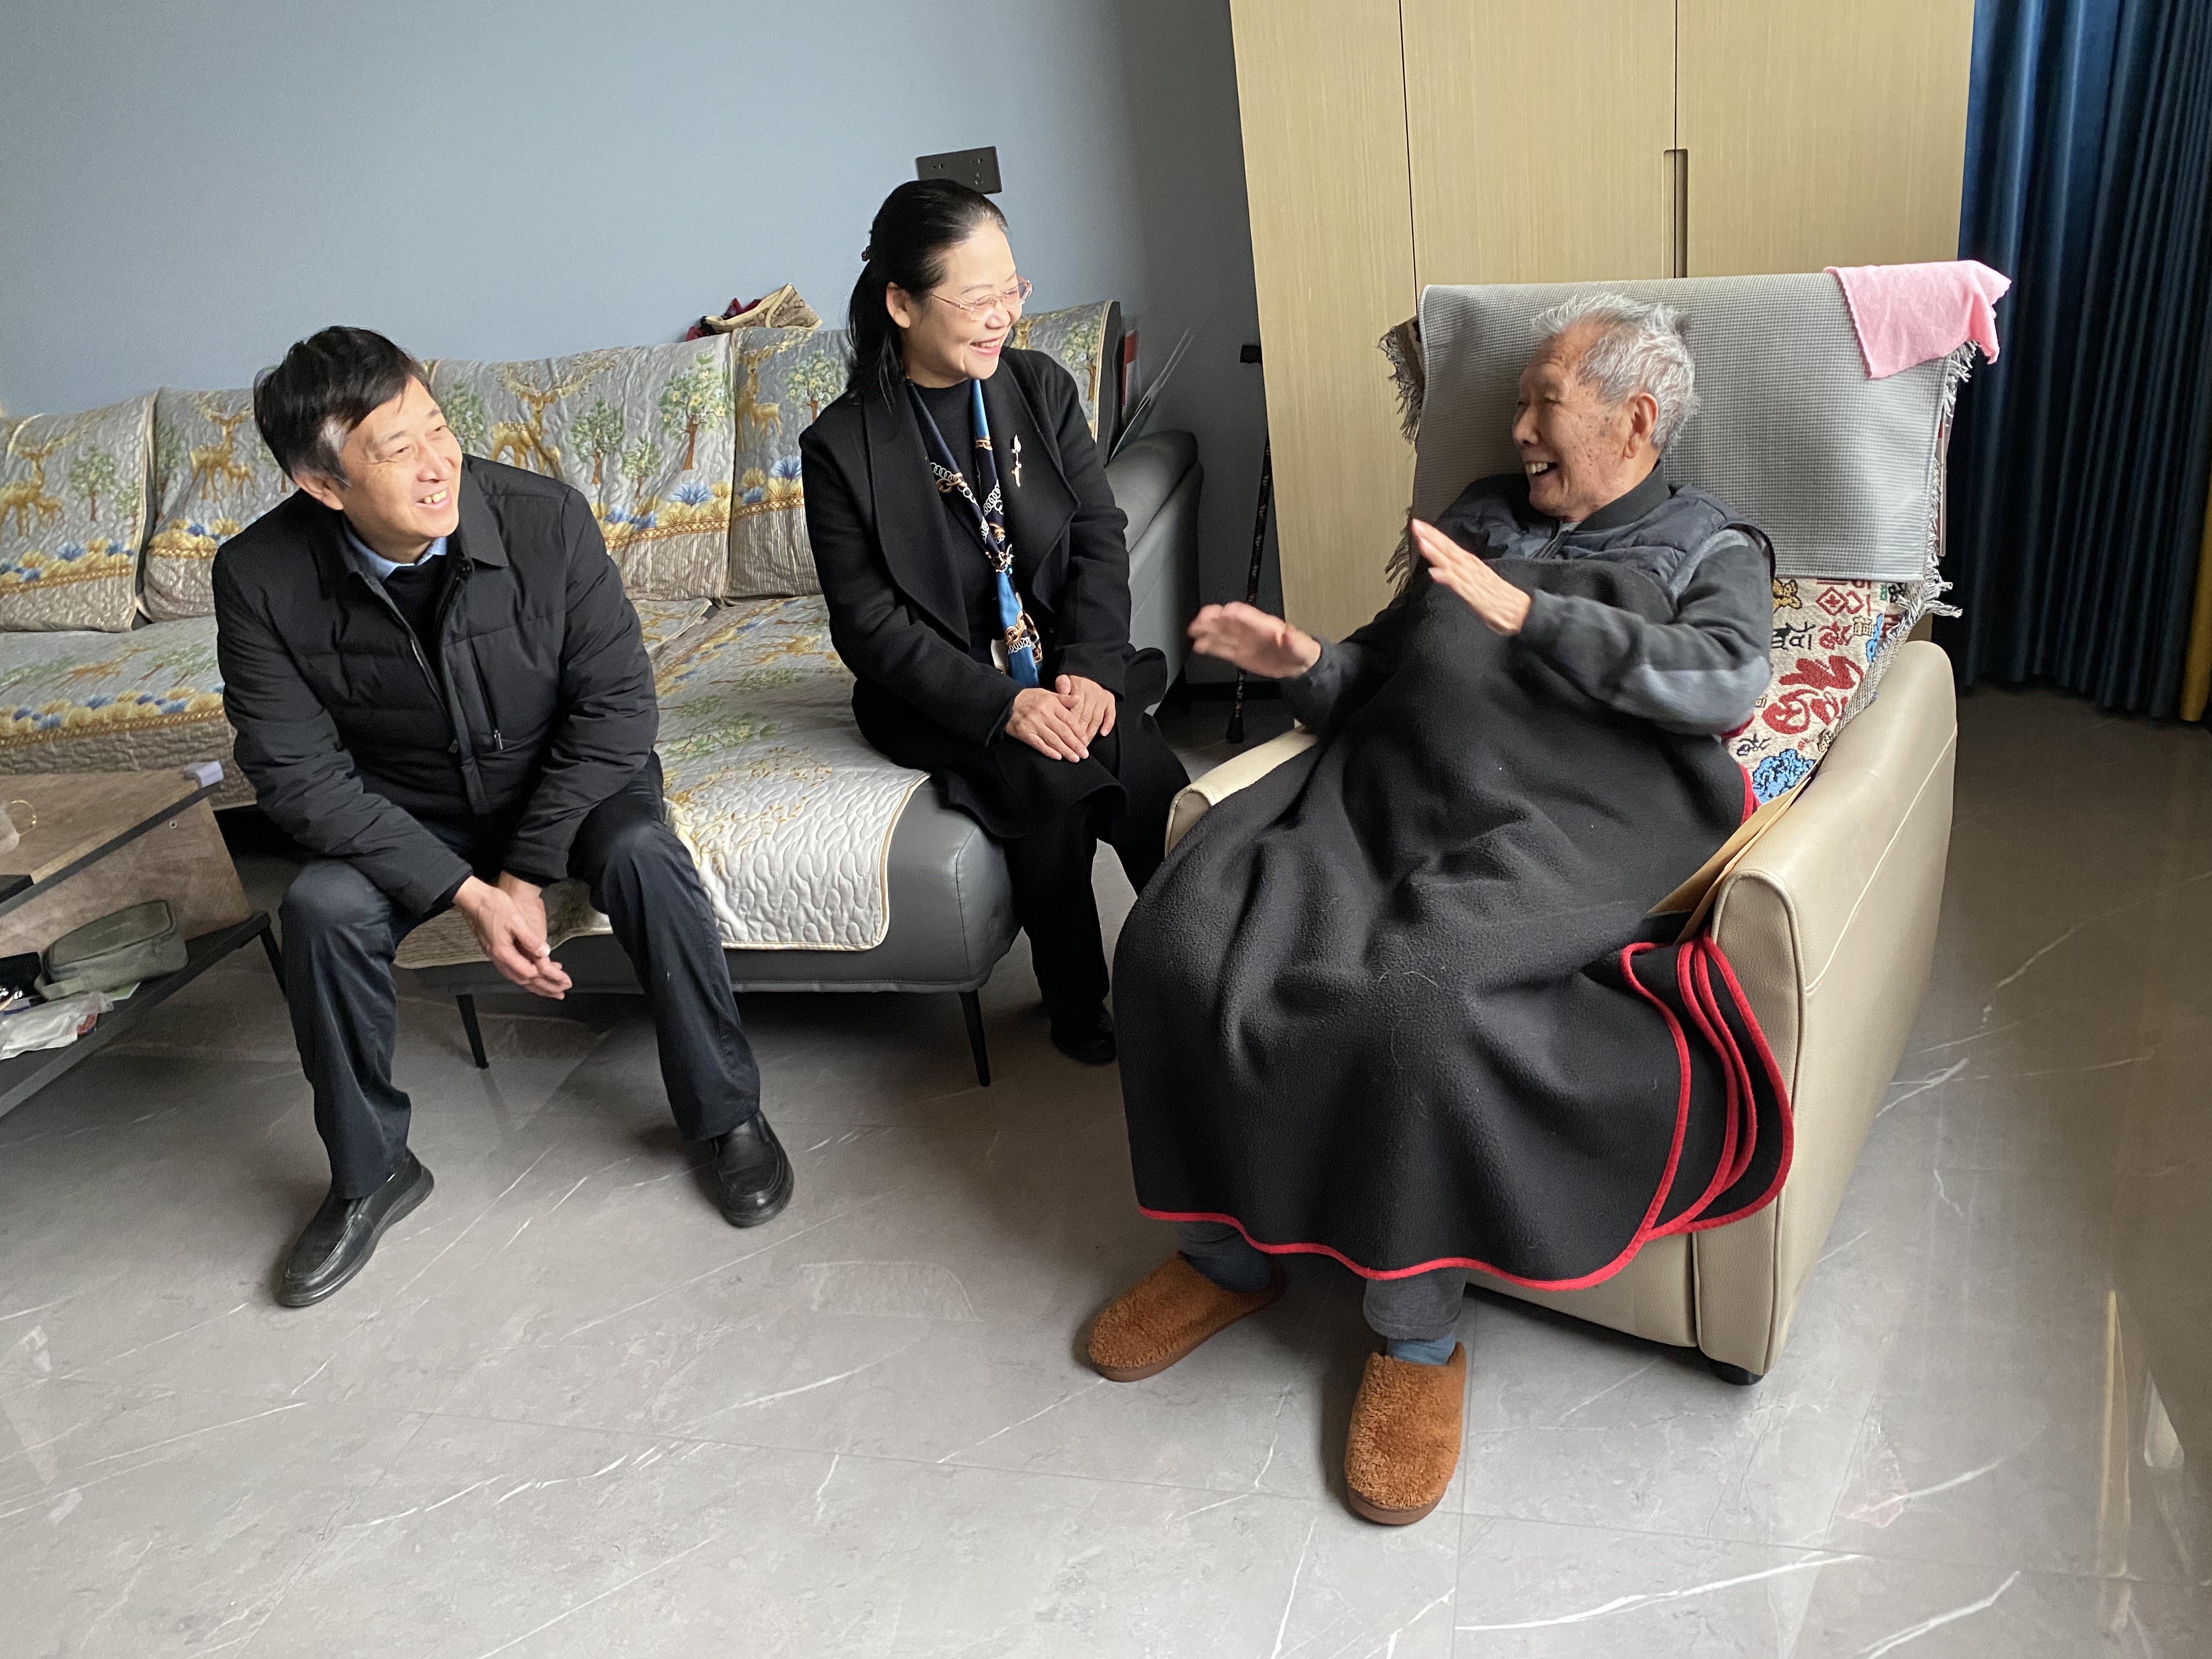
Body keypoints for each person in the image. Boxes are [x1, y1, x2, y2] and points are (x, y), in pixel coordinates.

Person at [1085, 294, 1790, 1526]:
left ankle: (1414, 1336)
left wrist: (1534, 614)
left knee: (1418, 1000)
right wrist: (1301, 661)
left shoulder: (1707, 544)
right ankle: (1223, 1259)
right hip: (1387, 789)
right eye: (1516, 404)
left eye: (1543, 405)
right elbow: (1375, 667)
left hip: (1561, 821)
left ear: (1635, 420)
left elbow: (1726, 681)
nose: (1517, 430)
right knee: (1175, 938)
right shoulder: (1476, 517)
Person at [216, 328, 792, 1309]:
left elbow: (618, 709)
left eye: (438, 428)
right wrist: (464, 893)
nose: (438, 463)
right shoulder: (258, 575)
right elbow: (296, 776)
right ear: (322, 485)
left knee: (646, 854)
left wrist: (520, 874)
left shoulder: (542, 517)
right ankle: (370, 1172)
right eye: (398, 449)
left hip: (566, 781)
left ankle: (726, 1114)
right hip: (409, 810)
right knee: (319, 907)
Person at [801, 181, 1189, 1064]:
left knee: (1142, 767)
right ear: (902, 303)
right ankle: (1077, 996)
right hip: (949, 688)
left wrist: (1090, 665)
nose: (1003, 317)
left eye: (1012, 291)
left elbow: (1097, 532)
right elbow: (868, 625)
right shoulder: (841, 448)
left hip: (1060, 657)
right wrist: (1005, 705)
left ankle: (1209, 969)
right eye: (978, 300)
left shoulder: (1038, 387)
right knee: (1051, 779)